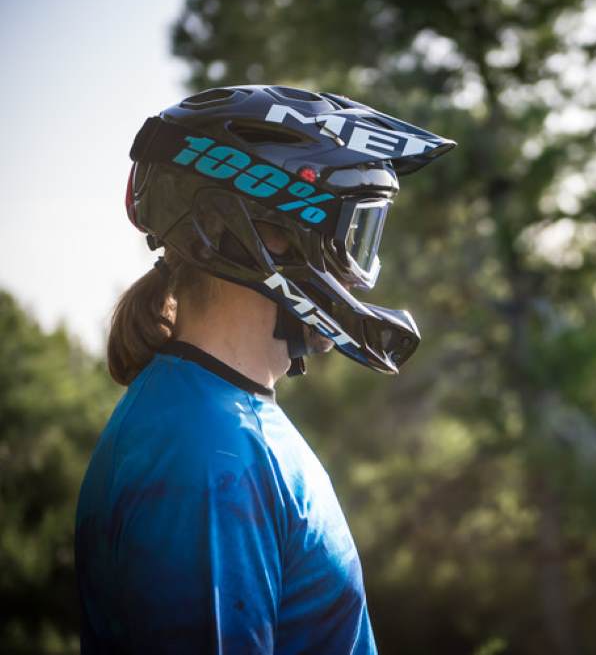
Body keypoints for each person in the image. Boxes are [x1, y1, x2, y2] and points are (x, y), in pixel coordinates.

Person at [74, 85, 455, 653]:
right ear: (260, 232)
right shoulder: (205, 457)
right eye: (352, 234)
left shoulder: (221, 418)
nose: (357, 277)